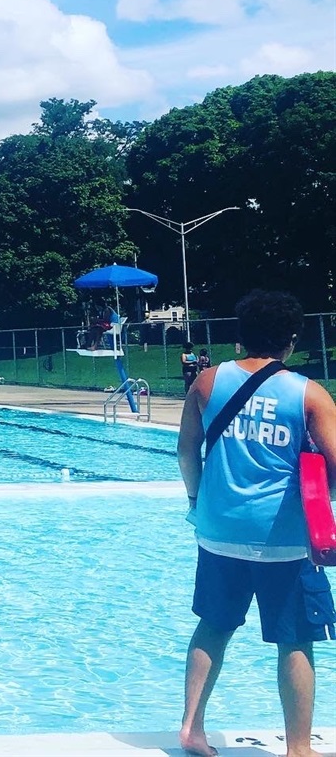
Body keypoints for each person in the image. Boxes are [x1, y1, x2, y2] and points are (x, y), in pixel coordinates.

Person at [176, 290, 336, 757]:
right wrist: (320, 504)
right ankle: (299, 748)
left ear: (241, 334)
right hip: (284, 541)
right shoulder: (308, 393)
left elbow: (187, 452)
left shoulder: (207, 382)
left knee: (213, 625)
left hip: (219, 531)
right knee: (295, 639)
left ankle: (191, 729)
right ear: (291, 339)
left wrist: (195, 499)